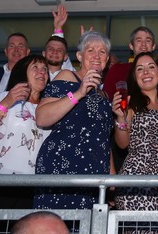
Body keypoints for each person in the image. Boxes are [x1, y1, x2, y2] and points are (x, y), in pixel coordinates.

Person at [34, 31, 114, 209]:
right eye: (90, 50)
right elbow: (42, 117)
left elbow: (103, 138)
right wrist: (79, 93)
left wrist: (112, 178)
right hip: (64, 164)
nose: (96, 56)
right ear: (79, 56)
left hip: (95, 171)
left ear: (107, 59)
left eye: (102, 52)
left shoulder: (104, 94)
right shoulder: (68, 76)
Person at [0, 54, 50, 208]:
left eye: (45, 69)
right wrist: (6, 102)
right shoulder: (1, 98)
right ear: (22, 72)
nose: (42, 72)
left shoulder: (49, 108)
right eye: (35, 67)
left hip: (33, 186)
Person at [112, 52, 158, 212]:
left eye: (151, 67)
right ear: (135, 77)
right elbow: (122, 144)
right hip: (137, 178)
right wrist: (121, 119)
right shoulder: (130, 104)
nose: (146, 72)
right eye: (140, 69)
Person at [103, 26, 158, 101]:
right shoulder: (117, 70)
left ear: (153, 46)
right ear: (131, 46)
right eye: (139, 41)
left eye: (148, 41)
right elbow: (105, 98)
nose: (143, 45)